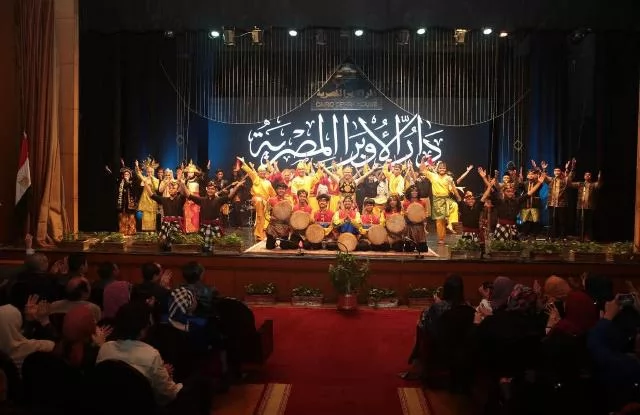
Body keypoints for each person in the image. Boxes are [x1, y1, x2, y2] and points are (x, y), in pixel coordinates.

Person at [97, 302, 183, 407]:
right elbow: (167, 395)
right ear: (142, 330)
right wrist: (169, 378)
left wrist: (159, 372)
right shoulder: (151, 355)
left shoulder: (105, 348)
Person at [480, 171, 544, 241]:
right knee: (500, 246)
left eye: (512, 191)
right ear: (504, 192)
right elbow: (491, 189)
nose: (510, 193)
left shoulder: (517, 201)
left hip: (513, 228)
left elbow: (529, 193)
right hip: (501, 228)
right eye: (508, 191)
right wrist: (484, 178)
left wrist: (539, 183)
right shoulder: (499, 201)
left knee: (514, 245)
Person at [186, 179, 245, 252]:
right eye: (209, 189)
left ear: (215, 190)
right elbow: (189, 196)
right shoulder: (202, 200)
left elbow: (229, 196)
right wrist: (181, 183)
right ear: (206, 189)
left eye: (212, 189)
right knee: (202, 248)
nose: (210, 190)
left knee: (217, 247)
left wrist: (237, 186)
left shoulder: (219, 200)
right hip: (204, 227)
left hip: (215, 227)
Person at [53, 304, 112, 372]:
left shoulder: (58, 343)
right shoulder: (89, 356)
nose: (95, 322)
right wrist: (102, 345)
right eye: (92, 320)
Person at [0, 304, 55, 371]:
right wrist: (45, 320)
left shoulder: (3, 354)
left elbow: (12, 334)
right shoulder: (38, 347)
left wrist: (29, 322)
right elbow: (57, 346)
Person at [420, 158, 459, 244]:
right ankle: (441, 238)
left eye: (444, 168)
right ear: (437, 169)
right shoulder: (433, 176)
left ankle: (450, 224)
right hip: (437, 200)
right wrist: (422, 160)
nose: (442, 169)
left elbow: (453, 188)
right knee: (440, 221)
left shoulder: (448, 178)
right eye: (440, 168)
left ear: (446, 169)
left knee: (455, 205)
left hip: (446, 199)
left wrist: (458, 197)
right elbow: (423, 169)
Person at [238, 156, 276, 241]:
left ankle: (264, 233)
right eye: (260, 171)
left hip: (266, 202)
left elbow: (273, 194)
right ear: (258, 172)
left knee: (266, 217)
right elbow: (250, 171)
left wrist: (273, 202)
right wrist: (244, 163)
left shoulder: (268, 182)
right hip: (257, 199)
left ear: (266, 172)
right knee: (260, 214)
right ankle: (259, 234)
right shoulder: (256, 178)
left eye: (263, 171)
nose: (262, 173)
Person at [147, 179, 187, 249]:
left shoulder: (180, 199)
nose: (171, 190)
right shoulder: (164, 199)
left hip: (176, 225)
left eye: (173, 188)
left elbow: (184, 194)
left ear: (177, 190)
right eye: (170, 188)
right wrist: (145, 183)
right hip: (165, 225)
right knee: (163, 244)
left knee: (176, 244)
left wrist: (183, 184)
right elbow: (152, 195)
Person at [541, 159, 575, 239]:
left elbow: (570, 178)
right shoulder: (551, 180)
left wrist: (571, 168)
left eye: (558, 171)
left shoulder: (564, 181)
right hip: (551, 203)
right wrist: (544, 169)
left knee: (562, 221)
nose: (556, 172)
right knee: (552, 220)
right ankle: (552, 235)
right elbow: (544, 178)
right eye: (555, 171)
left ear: (561, 172)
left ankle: (562, 236)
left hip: (561, 203)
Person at [105, 163, 137, 235]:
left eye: (127, 174)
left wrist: (127, 182)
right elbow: (114, 178)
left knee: (131, 217)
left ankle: (131, 232)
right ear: (123, 175)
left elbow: (133, 190)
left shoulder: (132, 182)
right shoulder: (120, 182)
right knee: (122, 217)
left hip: (130, 204)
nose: (126, 175)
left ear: (130, 175)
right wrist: (109, 171)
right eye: (125, 174)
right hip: (122, 204)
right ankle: (123, 231)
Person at [571, 169, 602, 241]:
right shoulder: (580, 184)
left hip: (589, 206)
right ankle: (580, 236)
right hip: (580, 206)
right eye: (586, 175)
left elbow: (599, 185)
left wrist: (599, 178)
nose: (587, 176)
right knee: (579, 222)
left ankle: (587, 237)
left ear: (591, 176)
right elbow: (570, 184)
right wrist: (571, 171)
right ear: (584, 176)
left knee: (588, 223)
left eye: (589, 175)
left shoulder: (593, 184)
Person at [265, 182, 295, 249]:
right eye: (279, 189)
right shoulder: (271, 200)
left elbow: (291, 214)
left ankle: (284, 242)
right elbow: (266, 213)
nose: (281, 190)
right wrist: (270, 217)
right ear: (276, 190)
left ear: (285, 190)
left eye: (283, 189)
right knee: (269, 247)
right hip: (273, 226)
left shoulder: (289, 201)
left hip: (284, 226)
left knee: (284, 247)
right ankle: (273, 242)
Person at [134, 157, 160, 232]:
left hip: (152, 200)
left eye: (151, 172)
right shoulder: (145, 179)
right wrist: (137, 166)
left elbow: (156, 188)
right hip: (145, 200)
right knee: (145, 216)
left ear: (153, 172)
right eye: (148, 172)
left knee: (152, 216)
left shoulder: (156, 180)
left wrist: (152, 179)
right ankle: (145, 231)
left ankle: (152, 231)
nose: (149, 173)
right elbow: (139, 174)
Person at [518, 168, 543, 238]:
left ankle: (534, 234)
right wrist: (520, 180)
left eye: (532, 174)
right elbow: (520, 187)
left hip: (534, 204)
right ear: (527, 175)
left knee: (535, 220)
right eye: (529, 174)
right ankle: (525, 233)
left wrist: (539, 173)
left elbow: (540, 184)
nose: (531, 175)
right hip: (525, 204)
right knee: (525, 220)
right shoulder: (524, 183)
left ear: (535, 175)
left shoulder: (537, 183)